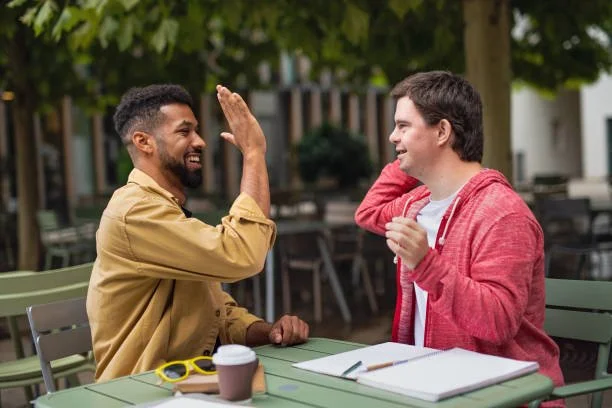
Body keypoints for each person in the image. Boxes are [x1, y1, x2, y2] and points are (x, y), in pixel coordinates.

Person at [354, 71, 564, 406]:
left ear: (442, 131)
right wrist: (408, 158)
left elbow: (498, 322)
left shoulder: (502, 214)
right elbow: (368, 212)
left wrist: (426, 264)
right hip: (432, 388)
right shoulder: (417, 204)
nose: (393, 136)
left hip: (503, 397)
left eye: (403, 126)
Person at [87, 84, 309, 381]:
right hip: (140, 391)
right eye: (184, 132)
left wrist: (270, 331)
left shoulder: (163, 207)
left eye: (197, 131)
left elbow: (216, 312)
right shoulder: (135, 211)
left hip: (188, 382)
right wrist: (254, 153)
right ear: (144, 142)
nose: (201, 142)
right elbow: (242, 254)